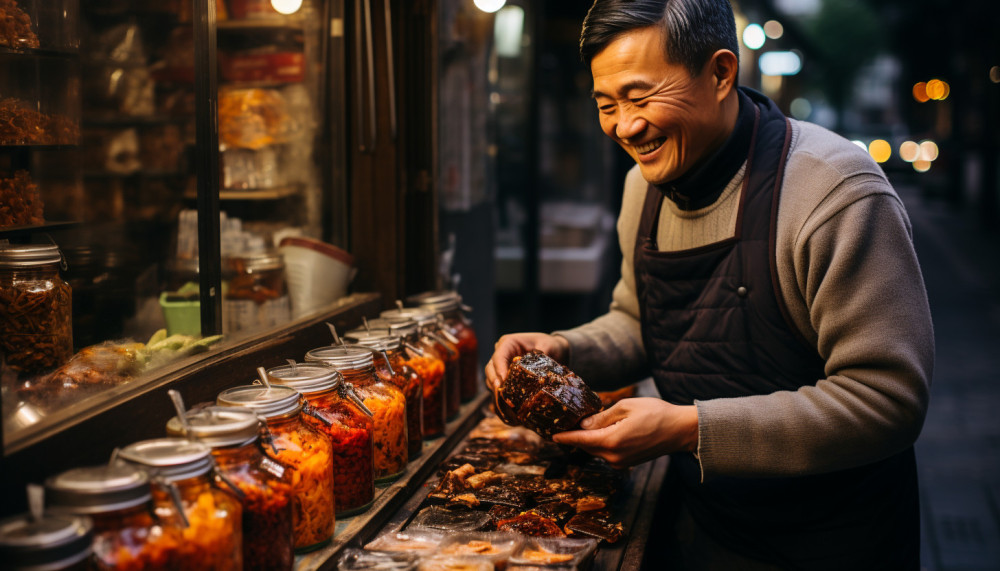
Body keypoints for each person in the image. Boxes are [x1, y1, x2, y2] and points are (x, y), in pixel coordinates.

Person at [484, 0, 934, 568]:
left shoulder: (833, 193)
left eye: (641, 97)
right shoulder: (639, 190)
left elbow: (889, 400)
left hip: (834, 537)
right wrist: (565, 349)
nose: (625, 126)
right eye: (607, 104)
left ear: (721, 73)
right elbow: (640, 320)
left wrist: (690, 429)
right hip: (704, 525)